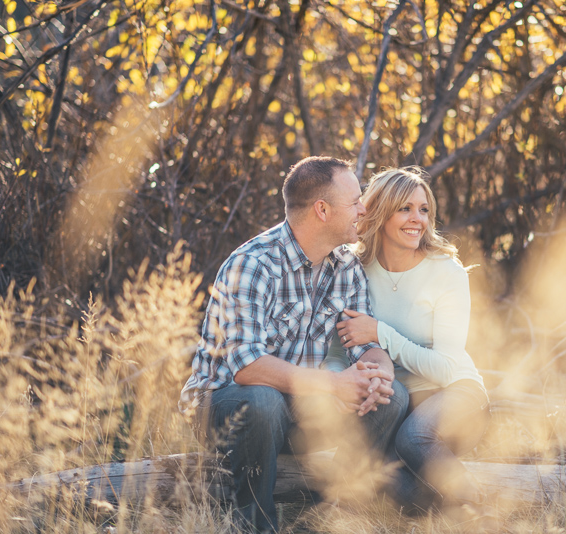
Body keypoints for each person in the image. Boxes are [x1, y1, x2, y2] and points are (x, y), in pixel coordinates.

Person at [179, 156, 409, 533]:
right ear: (322, 209)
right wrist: (334, 385)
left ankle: (324, 517)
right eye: (354, 202)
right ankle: (255, 523)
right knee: (262, 400)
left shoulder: (345, 266)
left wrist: (377, 373)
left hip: (299, 406)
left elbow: (363, 343)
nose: (363, 209)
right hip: (225, 404)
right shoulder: (253, 264)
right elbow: (249, 368)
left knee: (393, 395)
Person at [332, 167, 489, 513]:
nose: (417, 218)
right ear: (379, 212)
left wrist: (382, 334)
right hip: (397, 405)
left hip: (457, 394)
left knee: (415, 438)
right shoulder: (354, 269)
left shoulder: (445, 271)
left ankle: (482, 514)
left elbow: (447, 369)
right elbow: (337, 345)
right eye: (405, 208)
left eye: (424, 209)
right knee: (391, 483)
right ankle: (448, 516)